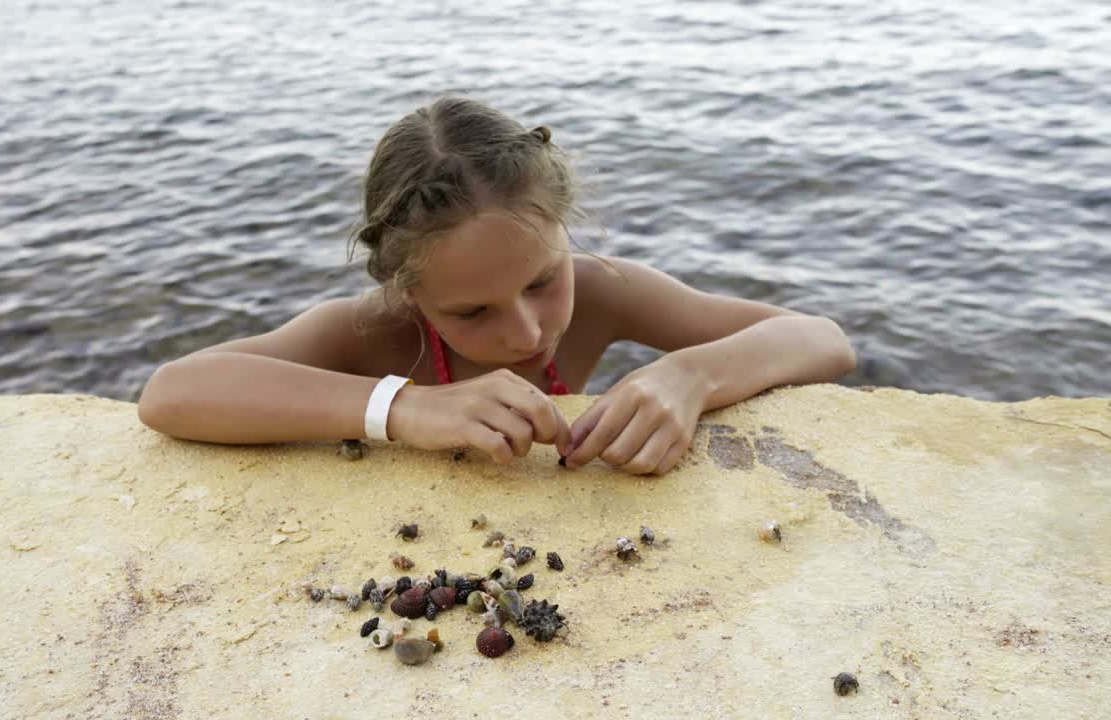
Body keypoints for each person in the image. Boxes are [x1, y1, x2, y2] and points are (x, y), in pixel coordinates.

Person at [138, 96, 856, 475]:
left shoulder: (604, 290)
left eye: (543, 281)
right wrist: (408, 410)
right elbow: (172, 392)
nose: (524, 331)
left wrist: (693, 376)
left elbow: (823, 339)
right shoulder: (375, 331)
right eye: (473, 310)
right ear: (406, 290)